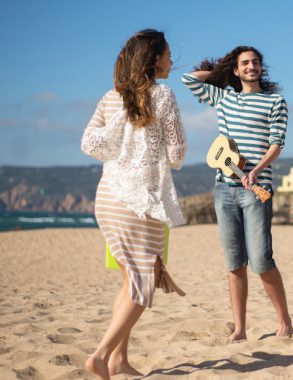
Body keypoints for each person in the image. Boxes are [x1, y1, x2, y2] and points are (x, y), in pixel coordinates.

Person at [81, 29, 187, 379]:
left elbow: (90, 143)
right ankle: (101, 355)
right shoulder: (165, 95)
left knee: (130, 282)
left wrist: (120, 141)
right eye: (169, 54)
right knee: (142, 286)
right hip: (141, 202)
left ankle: (119, 362)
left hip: (109, 198)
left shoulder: (110, 98)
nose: (172, 61)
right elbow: (176, 154)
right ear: (154, 59)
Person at [182, 46, 293, 341]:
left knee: (261, 260)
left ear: (261, 67)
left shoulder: (275, 101)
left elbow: (277, 143)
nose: (251, 66)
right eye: (245, 63)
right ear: (236, 69)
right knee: (234, 263)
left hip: (257, 189)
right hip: (224, 189)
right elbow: (188, 80)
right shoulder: (225, 98)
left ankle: (284, 320)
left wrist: (257, 169)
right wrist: (221, 69)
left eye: (256, 62)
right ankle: (240, 328)